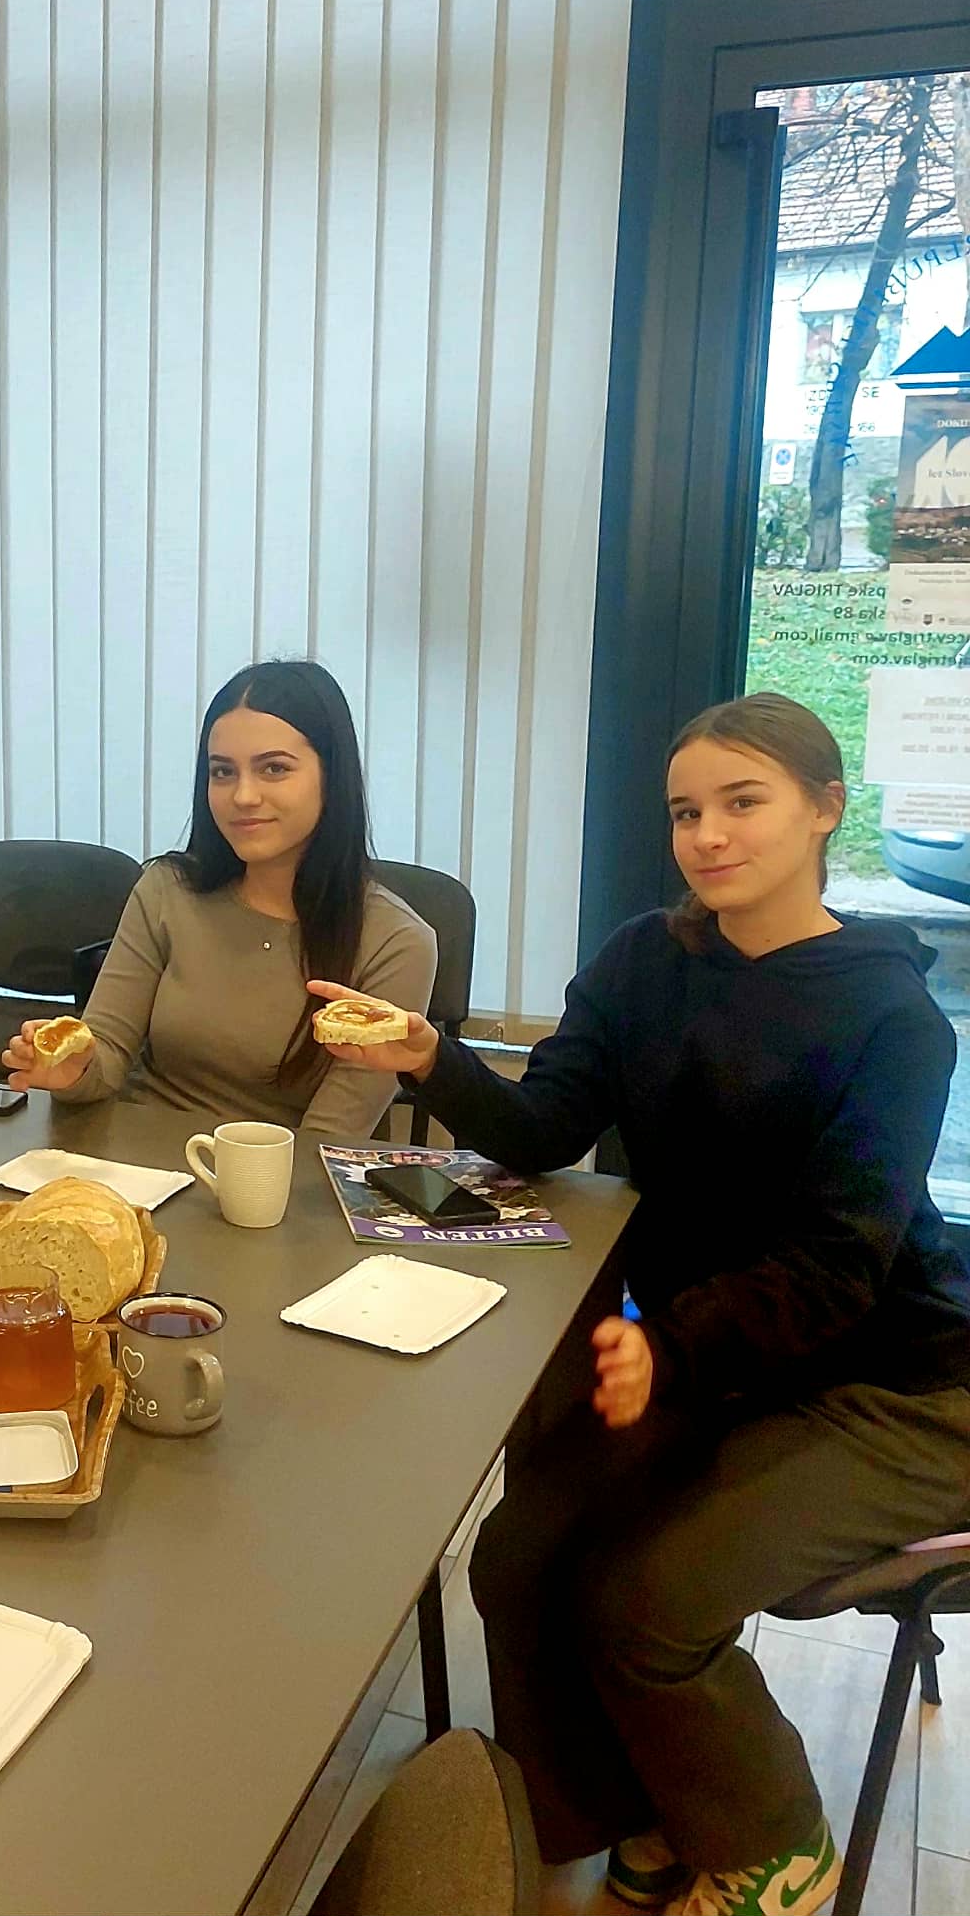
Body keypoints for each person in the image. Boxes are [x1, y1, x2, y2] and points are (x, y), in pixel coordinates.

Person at [314, 692, 970, 1916]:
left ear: (824, 809)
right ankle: (637, 1811)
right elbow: (543, 1124)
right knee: (516, 1557)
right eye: (683, 811)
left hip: (896, 1385)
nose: (705, 834)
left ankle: (776, 1846)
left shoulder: (892, 1017)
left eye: (741, 801)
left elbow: (836, 1267)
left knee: (643, 1601)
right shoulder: (641, 960)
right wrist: (428, 1058)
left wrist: (666, 1344)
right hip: (718, 1362)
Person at [2, 659, 435, 1138]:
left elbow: (326, 1143)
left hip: (274, 1177)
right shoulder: (166, 889)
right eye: (223, 772)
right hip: (134, 1163)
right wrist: (74, 1070)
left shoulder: (397, 941)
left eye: (274, 769)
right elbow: (105, 1056)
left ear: (332, 777)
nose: (243, 796)